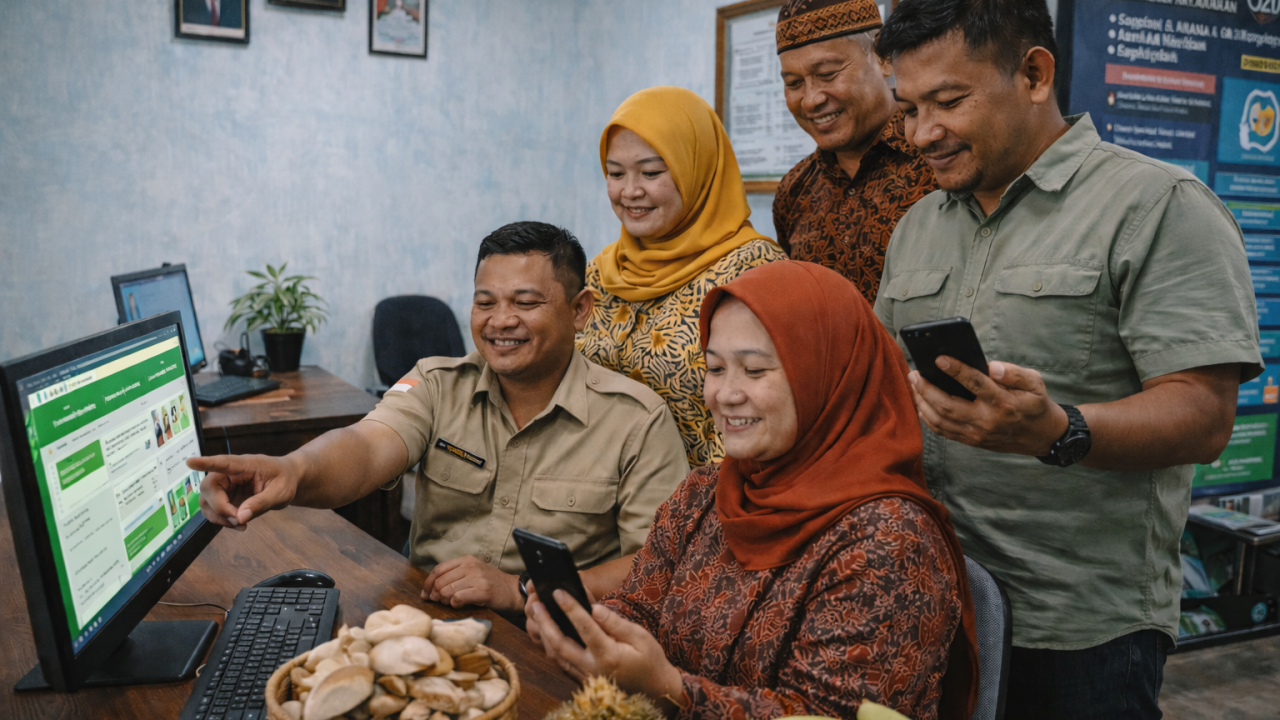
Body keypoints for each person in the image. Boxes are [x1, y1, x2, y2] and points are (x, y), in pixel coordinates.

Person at [873, 1, 1263, 717]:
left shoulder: (1158, 207)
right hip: (930, 601)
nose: (922, 133)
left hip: (1079, 632)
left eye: (949, 102)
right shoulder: (918, 227)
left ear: (1033, 73)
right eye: (909, 107)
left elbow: (1204, 414)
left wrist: (1060, 431)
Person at [529, 261, 978, 720]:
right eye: (715, 368)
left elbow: (823, 715)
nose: (725, 394)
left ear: (828, 375)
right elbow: (643, 604)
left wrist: (668, 688)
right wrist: (591, 631)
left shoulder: (890, 540)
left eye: (755, 370)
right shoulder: (705, 491)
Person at [189, 222, 689, 616]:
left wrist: (520, 591)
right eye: (484, 301)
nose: (500, 320)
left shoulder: (636, 421)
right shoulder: (435, 383)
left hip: (552, 637)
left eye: (526, 302)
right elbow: (365, 448)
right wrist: (293, 472)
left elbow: (654, 569)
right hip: (429, 615)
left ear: (580, 310)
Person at [578, 86, 786, 468]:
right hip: (595, 494)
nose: (630, 192)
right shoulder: (601, 271)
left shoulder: (756, 271)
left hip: (707, 501)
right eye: (615, 173)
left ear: (697, 168)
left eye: (652, 172)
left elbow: (775, 409)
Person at [772, 0, 936, 304]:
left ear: (884, 58)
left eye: (828, 74)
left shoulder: (938, 159)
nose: (810, 100)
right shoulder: (794, 191)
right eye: (794, 83)